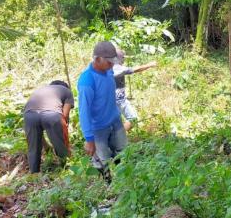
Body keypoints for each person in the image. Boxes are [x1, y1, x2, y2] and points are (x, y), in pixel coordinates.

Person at [78, 41, 126, 175]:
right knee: (102, 161)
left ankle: (123, 181)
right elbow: (84, 111)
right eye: (109, 62)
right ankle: (109, 186)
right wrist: (89, 139)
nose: (112, 65)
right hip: (98, 128)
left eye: (112, 61)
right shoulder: (87, 81)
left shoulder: (108, 70)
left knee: (122, 153)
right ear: (97, 59)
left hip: (115, 121)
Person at [23, 80, 74, 173]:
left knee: (33, 147)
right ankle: (65, 168)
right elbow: (65, 115)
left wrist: (46, 146)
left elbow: (37, 131)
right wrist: (65, 141)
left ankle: (34, 174)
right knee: (60, 144)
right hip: (52, 115)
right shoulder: (67, 91)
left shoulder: (40, 90)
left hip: (29, 115)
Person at [112, 48, 157, 132]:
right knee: (133, 119)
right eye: (123, 58)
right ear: (119, 58)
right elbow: (135, 69)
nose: (124, 60)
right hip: (119, 100)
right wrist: (149, 65)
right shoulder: (118, 68)